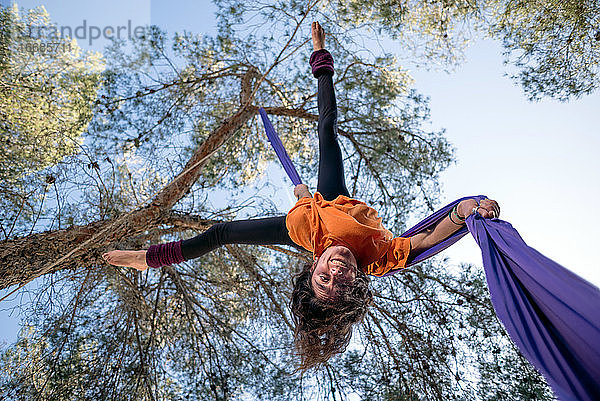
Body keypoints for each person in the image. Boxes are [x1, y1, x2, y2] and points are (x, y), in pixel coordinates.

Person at [103, 21, 500, 371]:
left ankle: (149, 260)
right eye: (341, 282)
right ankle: (319, 57)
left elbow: (291, 222)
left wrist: (304, 201)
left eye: (323, 277)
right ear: (356, 284)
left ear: (312, 269)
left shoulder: (302, 231)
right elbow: (427, 239)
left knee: (221, 231)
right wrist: (463, 212)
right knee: (327, 129)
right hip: (334, 201)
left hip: (313, 218)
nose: (337, 270)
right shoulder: (377, 259)